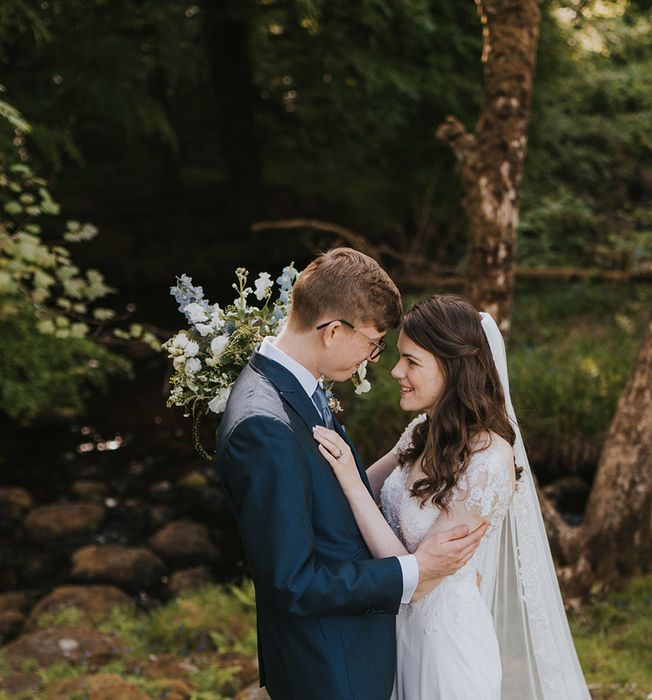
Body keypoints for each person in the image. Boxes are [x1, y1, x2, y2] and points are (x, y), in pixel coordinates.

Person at [214, 250, 487, 700]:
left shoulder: (299, 390)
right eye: (374, 342)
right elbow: (294, 583)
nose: (375, 358)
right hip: (331, 668)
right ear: (334, 330)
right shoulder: (264, 426)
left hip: (358, 653)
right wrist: (415, 570)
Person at [313, 294, 592, 699]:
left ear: (451, 368)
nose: (395, 371)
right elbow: (355, 487)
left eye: (411, 361)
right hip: (393, 635)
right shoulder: (418, 433)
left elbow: (419, 580)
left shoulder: (488, 462)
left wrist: (351, 483)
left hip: (445, 652)